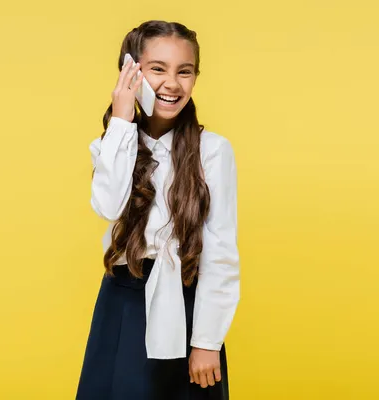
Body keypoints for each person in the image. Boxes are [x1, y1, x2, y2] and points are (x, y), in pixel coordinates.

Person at [76, 20, 240, 400]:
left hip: (185, 303)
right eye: (157, 69)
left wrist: (207, 341)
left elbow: (221, 253)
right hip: (122, 301)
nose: (172, 83)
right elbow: (108, 205)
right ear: (131, 72)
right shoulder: (113, 144)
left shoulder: (213, 150)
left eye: (185, 71)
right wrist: (121, 119)